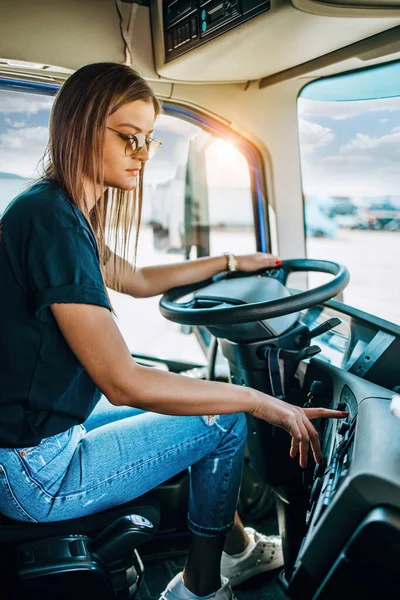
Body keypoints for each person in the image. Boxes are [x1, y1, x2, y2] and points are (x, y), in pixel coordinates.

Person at [0, 63, 347, 600]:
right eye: (128, 137)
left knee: (190, 397)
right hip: (37, 472)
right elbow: (122, 382)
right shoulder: (51, 222)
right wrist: (260, 401)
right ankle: (200, 589)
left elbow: (136, 279)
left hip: (37, 440)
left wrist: (230, 259)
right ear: (80, 127)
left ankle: (238, 548)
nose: (141, 153)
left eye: (149, 141)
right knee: (228, 417)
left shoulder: (57, 211)